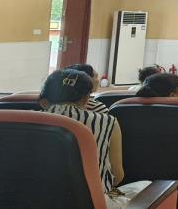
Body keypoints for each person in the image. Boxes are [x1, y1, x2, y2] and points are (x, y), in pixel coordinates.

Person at [40, 69, 149, 208]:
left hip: (35, 200)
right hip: (89, 203)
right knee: (148, 186)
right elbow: (117, 176)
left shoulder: (27, 119)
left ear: (45, 99)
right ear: (86, 98)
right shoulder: (108, 121)